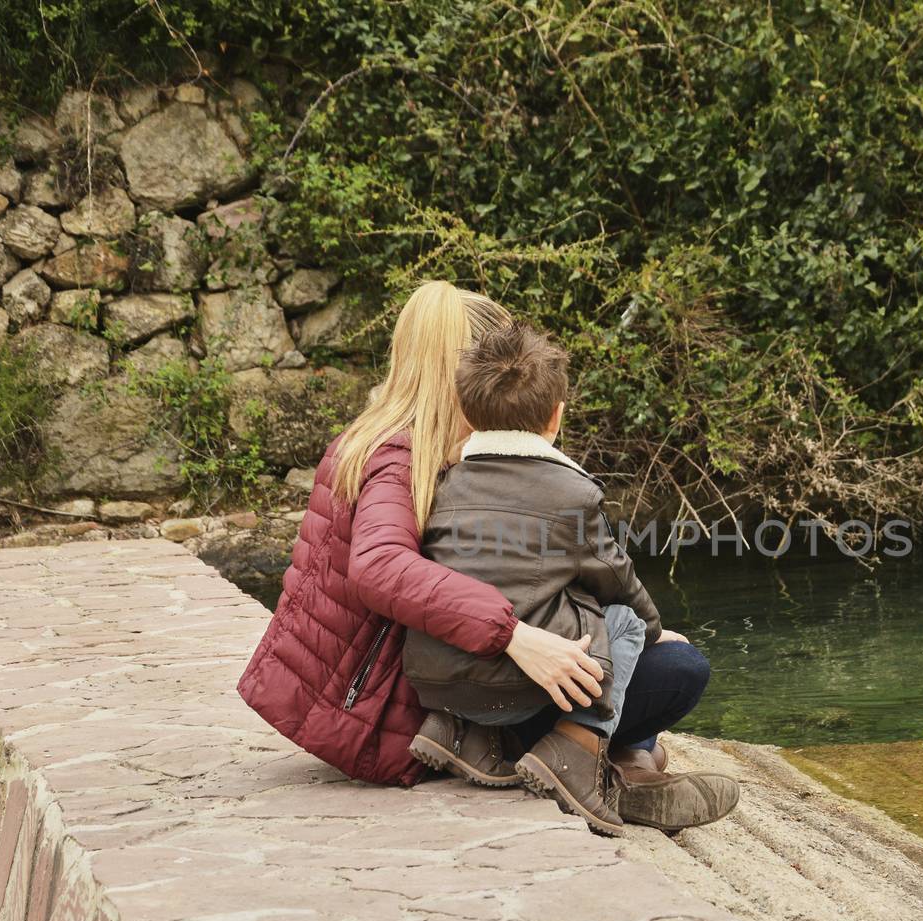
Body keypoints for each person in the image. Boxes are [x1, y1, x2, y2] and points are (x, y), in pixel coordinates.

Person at [237, 281, 737, 832]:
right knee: (676, 668)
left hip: (404, 696)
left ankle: (626, 766)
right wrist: (517, 637)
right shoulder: (400, 456)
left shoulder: (379, 441)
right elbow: (379, 567)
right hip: (392, 719)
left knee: (613, 642)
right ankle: (608, 765)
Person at [403, 322, 738, 836]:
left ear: (467, 414)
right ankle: (580, 750)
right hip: (522, 692)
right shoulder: (571, 493)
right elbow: (619, 581)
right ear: (557, 415)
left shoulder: (442, 482)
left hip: (440, 687)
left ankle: (476, 736)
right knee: (669, 655)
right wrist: (653, 632)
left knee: (566, 600)